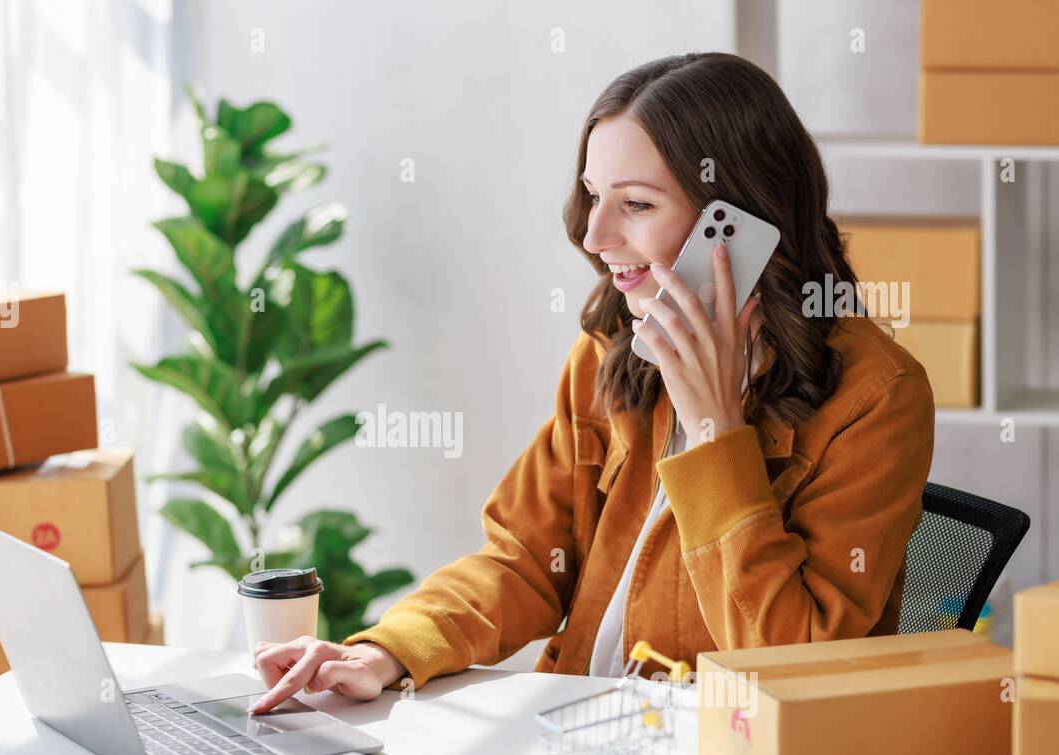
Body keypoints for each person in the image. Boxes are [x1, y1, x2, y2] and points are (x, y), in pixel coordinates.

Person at [249, 52, 934, 714]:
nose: (595, 236)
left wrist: (716, 433)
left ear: (742, 222)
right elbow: (523, 558)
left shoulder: (876, 399)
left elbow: (792, 665)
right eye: (592, 196)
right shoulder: (613, 350)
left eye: (635, 204)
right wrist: (385, 653)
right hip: (587, 740)